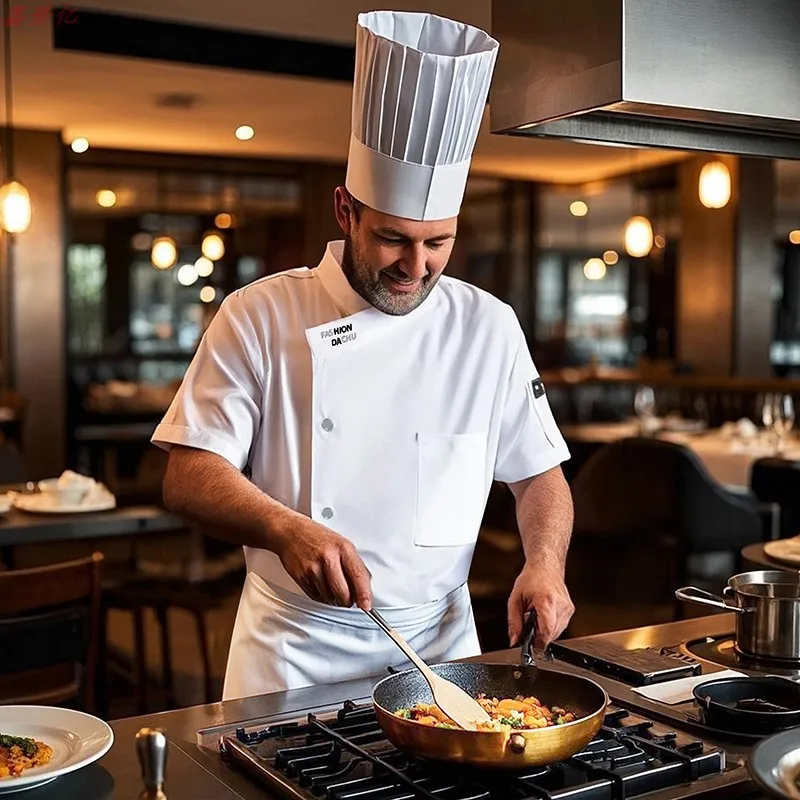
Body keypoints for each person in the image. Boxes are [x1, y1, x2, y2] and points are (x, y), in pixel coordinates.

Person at [152, 10, 575, 700]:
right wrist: (283, 527)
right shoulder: (260, 314)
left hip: (439, 649)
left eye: (438, 242)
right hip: (295, 650)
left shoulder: (489, 326)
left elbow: (539, 477)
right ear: (345, 210)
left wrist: (546, 564)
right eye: (394, 239)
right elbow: (188, 474)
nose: (416, 266)